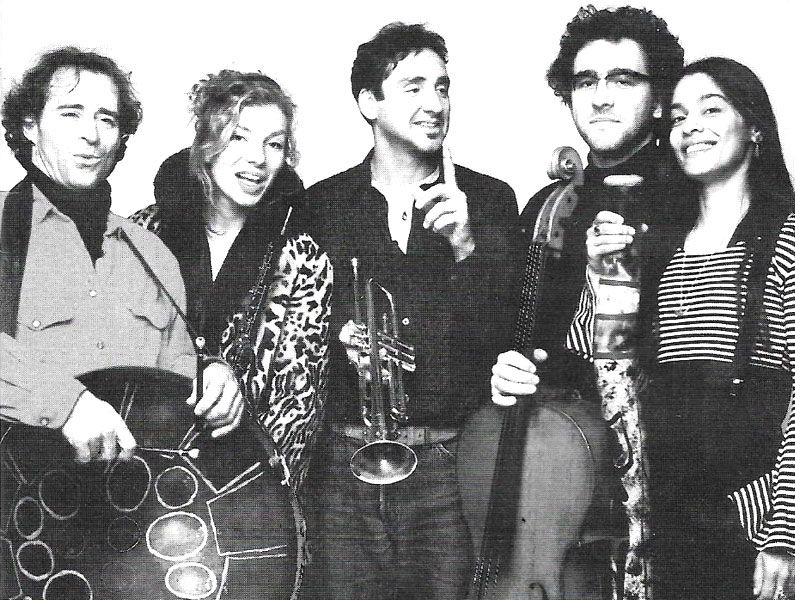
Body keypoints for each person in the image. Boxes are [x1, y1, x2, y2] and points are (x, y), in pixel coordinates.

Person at [303, 22, 518, 600]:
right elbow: (291, 327)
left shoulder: (492, 199)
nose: (435, 104)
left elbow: (508, 340)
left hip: (449, 463)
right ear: (368, 103)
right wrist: (338, 335)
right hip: (343, 465)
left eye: (443, 88)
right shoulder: (319, 202)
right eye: (414, 87)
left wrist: (467, 246)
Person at [588, 57, 795, 600]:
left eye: (711, 110)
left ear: (755, 128)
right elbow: (606, 366)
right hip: (666, 522)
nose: (690, 127)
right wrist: (601, 272)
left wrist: (786, 535)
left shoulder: (788, 239)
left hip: (752, 523)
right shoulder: (659, 246)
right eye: (678, 117)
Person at [0, 48, 241, 464]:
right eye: (71, 114)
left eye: (107, 119)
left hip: (133, 494)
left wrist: (213, 379)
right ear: (30, 126)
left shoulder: (151, 253)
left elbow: (174, 383)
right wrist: (67, 404)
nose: (91, 134)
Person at [131, 70, 332, 492]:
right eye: (239, 137)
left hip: (242, 490)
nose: (258, 158)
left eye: (274, 144)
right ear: (208, 143)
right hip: (138, 471)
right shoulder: (142, 233)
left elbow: (296, 409)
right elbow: (117, 360)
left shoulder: (304, 258)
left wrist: (257, 503)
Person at [490, 5, 683, 407]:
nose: (600, 99)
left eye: (623, 81)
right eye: (585, 82)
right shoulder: (546, 205)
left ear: (660, 101)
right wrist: (506, 368)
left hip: (661, 430)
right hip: (557, 434)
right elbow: (513, 329)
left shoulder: (690, 197)